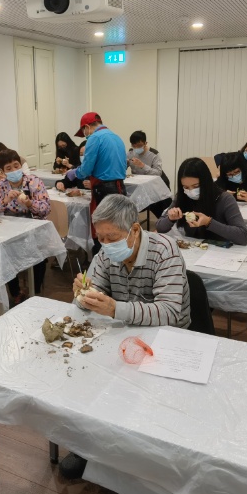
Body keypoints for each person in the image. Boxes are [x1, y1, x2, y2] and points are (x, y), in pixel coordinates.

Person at [61, 194, 191, 479]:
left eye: (112, 237)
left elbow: (170, 311)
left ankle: (148, 455)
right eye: (101, 238)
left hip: (165, 340)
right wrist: (83, 295)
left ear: (134, 229)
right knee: (88, 378)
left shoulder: (165, 249)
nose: (106, 245)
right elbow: (89, 299)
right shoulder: (106, 253)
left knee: (148, 403)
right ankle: (87, 445)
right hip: (122, 333)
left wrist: (114, 308)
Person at [0, 149, 50, 304]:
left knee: (39, 256)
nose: (14, 170)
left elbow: (46, 209)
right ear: (2, 172)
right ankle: (16, 293)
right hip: (10, 230)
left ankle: (35, 292)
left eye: (16, 166)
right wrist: (5, 200)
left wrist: (30, 203)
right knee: (4, 255)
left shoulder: (34, 182)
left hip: (33, 228)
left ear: (21, 165)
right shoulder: (0, 186)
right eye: (9, 168)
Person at [67, 112, 128, 252]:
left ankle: (102, 261)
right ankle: (120, 256)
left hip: (104, 190)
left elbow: (86, 169)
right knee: (119, 226)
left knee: (103, 229)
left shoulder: (95, 138)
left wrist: (75, 172)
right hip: (120, 187)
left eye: (84, 131)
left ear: (87, 127)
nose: (85, 135)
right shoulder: (116, 137)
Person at [156, 158, 247, 245]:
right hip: (193, 248)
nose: (191, 191)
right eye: (186, 187)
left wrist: (209, 222)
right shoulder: (182, 197)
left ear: (206, 182)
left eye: (196, 186)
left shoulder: (225, 199)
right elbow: (160, 228)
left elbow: (243, 236)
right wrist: (170, 219)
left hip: (221, 250)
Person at [127, 130, 173, 219]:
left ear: (145, 143)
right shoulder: (130, 153)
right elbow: (123, 166)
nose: (136, 148)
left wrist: (142, 166)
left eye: (139, 146)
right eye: (134, 146)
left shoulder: (154, 154)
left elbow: (158, 173)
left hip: (155, 184)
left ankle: (166, 220)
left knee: (160, 203)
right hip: (139, 184)